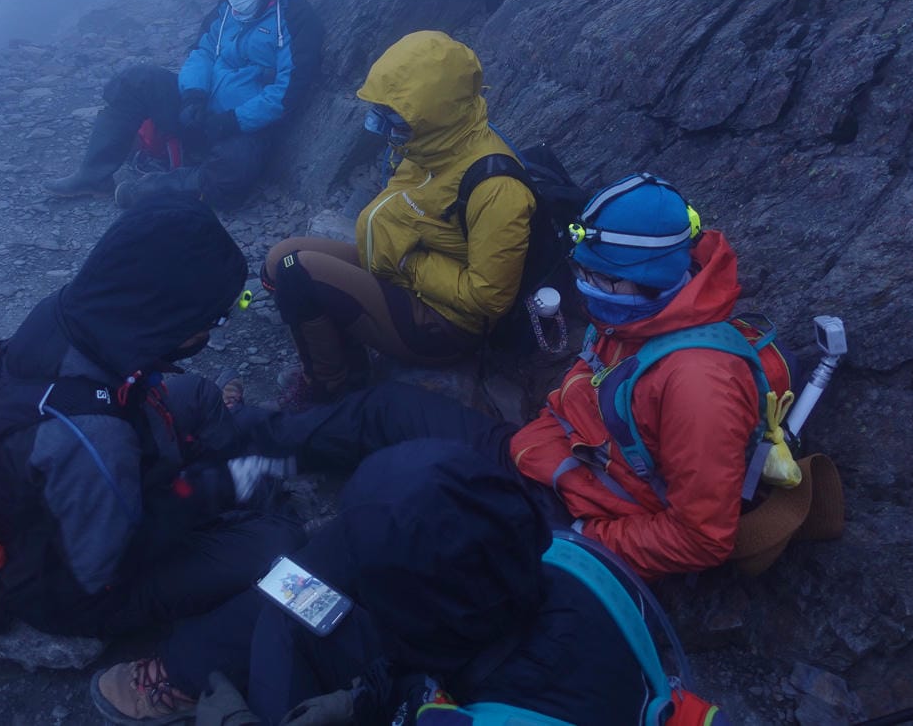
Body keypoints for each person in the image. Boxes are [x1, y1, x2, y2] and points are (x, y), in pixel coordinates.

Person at [245, 173, 801, 581]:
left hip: (575, 514)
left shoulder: (698, 384)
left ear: (655, 278)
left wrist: (583, 543)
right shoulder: (647, 313)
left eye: (601, 280)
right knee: (390, 408)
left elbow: (702, 536)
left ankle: (270, 605)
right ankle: (247, 447)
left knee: (408, 518)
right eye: (583, 272)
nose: (587, 288)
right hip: (541, 458)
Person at [89, 441, 648, 725]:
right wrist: (375, 692)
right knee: (304, 592)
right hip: (474, 648)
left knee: (306, 605)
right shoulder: (574, 564)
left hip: (476, 690)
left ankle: (204, 679)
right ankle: (191, 664)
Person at [0, 193, 303, 640]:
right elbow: (105, 565)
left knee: (196, 392)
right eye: (214, 319)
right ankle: (253, 513)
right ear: (165, 316)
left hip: (69, 477)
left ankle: (251, 495)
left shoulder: (76, 310)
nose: (216, 326)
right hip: (75, 583)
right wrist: (198, 493)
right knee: (277, 545)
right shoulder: (94, 437)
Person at [263, 31, 535, 408]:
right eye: (383, 115)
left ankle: (331, 387)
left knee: (296, 273)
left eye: (397, 119)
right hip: (396, 273)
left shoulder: (495, 186)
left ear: (434, 114)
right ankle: (344, 350)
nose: (388, 130)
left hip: (443, 323)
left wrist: (410, 263)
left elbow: (489, 298)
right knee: (281, 257)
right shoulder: (430, 144)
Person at [43, 0, 322, 209]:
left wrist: (233, 120)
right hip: (199, 112)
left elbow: (286, 92)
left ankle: (151, 189)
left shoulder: (296, 21)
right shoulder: (226, 9)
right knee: (136, 80)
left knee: (237, 168)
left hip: (241, 127)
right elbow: (201, 52)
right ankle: (94, 176)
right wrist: (193, 95)